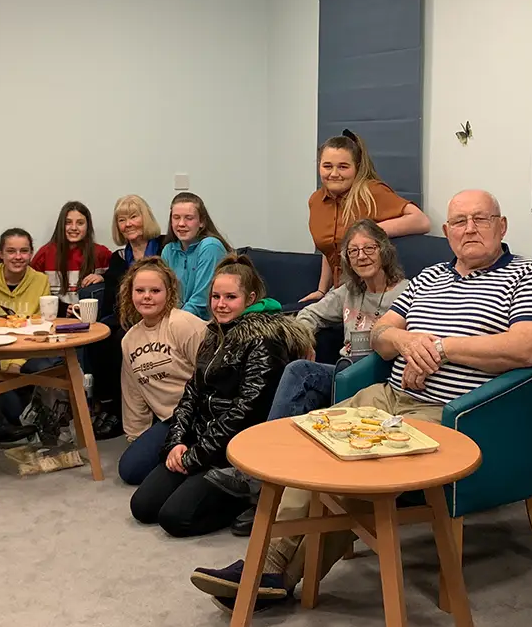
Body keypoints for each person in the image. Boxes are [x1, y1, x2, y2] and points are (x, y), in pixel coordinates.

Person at [191, 190, 532, 608]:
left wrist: (439, 349)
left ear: (503, 225)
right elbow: (382, 337)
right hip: (387, 395)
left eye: (481, 219)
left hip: (458, 414)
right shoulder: (429, 277)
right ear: (447, 231)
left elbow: (526, 347)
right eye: (459, 221)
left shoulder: (528, 274)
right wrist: (406, 341)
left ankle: (276, 572)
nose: (469, 229)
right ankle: (269, 564)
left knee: (354, 473)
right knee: (309, 447)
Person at [213, 219, 410, 536]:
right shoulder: (348, 292)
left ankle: (260, 486)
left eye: (368, 248)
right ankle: (266, 483)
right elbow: (308, 314)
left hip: (379, 381)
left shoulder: (405, 292)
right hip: (344, 375)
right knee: (297, 372)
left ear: (384, 251)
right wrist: (305, 340)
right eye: (353, 251)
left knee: (308, 375)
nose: (361, 256)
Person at [129, 255, 312, 537]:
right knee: (142, 507)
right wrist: (177, 442)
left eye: (230, 297)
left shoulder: (265, 340)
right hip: (201, 439)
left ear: (250, 299)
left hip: (232, 451)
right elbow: (191, 393)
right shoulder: (213, 333)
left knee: (174, 518)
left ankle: (249, 500)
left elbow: (246, 411)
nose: (221, 304)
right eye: (215, 296)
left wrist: (196, 456)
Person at [303, 128, 430, 301]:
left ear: (357, 167)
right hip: (339, 292)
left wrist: (368, 232)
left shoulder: (371, 192)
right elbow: (331, 250)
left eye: (343, 167)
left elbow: (421, 221)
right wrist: (321, 291)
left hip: (371, 292)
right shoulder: (316, 201)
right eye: (327, 166)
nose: (334, 174)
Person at [116, 257, 207, 486]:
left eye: (155, 290)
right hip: (169, 420)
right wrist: (136, 437)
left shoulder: (182, 323)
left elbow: (212, 372)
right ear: (130, 293)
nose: (147, 296)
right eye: (140, 290)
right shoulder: (129, 340)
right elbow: (133, 392)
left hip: (200, 414)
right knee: (130, 470)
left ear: (169, 292)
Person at [0, 227, 58, 445]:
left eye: (24, 251)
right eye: (11, 251)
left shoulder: (40, 281)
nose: (18, 257)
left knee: (50, 365)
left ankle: (27, 421)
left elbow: (41, 325)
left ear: (31, 253)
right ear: (1, 254)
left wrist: (16, 362)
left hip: (29, 349)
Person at [88, 195, 166, 432]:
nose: (128, 224)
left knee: (119, 340)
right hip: (128, 317)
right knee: (98, 336)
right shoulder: (119, 258)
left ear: (146, 218)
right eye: (122, 220)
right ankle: (108, 405)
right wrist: (102, 276)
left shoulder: (165, 247)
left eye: (133, 216)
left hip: (158, 316)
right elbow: (113, 295)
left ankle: (119, 414)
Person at [161, 192, 233, 320]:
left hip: (208, 322)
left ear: (202, 222)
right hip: (176, 318)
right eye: (176, 217)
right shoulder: (168, 250)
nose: (181, 223)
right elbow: (164, 294)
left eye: (189, 218)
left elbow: (202, 300)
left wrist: (173, 323)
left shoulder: (210, 246)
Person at [30, 201, 111, 308]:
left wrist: (103, 277)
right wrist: (62, 308)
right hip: (56, 318)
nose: (73, 228)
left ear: (88, 226)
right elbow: (31, 289)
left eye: (80, 223)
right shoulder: (45, 253)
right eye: (68, 222)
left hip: (91, 319)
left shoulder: (101, 253)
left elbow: (119, 280)